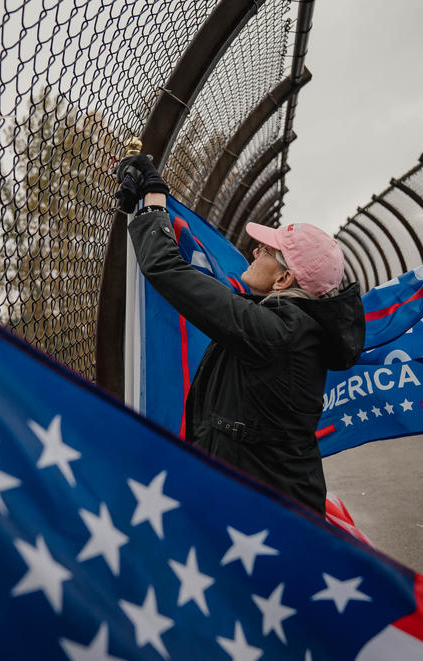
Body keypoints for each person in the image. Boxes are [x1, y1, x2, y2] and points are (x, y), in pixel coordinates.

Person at [115, 155, 365, 516]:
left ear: (283, 279)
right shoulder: (294, 329)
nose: (253, 251)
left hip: (265, 514)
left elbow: (169, 271)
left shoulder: (278, 332)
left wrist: (152, 202)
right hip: (272, 502)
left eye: (264, 250)